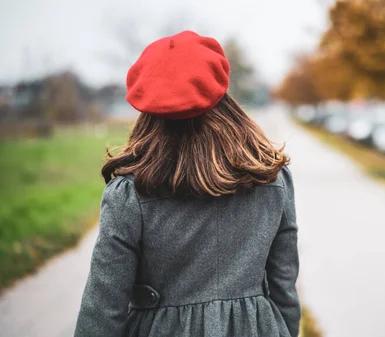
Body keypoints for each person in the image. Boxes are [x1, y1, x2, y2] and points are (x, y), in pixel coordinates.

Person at [74, 31, 301, 337]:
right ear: (222, 95)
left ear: (149, 110)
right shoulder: (273, 178)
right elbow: (284, 289)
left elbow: (103, 310)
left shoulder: (129, 195)